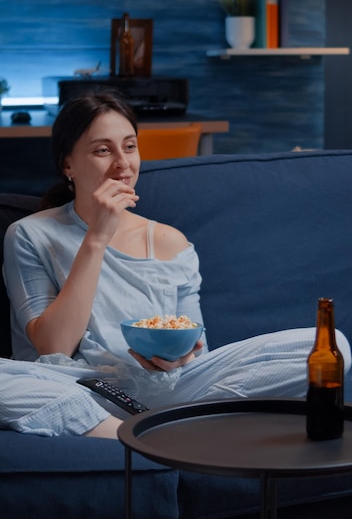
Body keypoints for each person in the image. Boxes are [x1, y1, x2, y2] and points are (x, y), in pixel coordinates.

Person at [1, 91, 351, 440]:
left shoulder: (171, 242)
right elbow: (54, 347)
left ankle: (154, 430)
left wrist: (182, 357)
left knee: (330, 345)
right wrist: (96, 237)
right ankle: (156, 436)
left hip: (167, 387)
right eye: (102, 150)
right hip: (79, 389)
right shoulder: (31, 234)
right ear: (68, 165)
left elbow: (196, 345)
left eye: (130, 146)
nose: (122, 163)